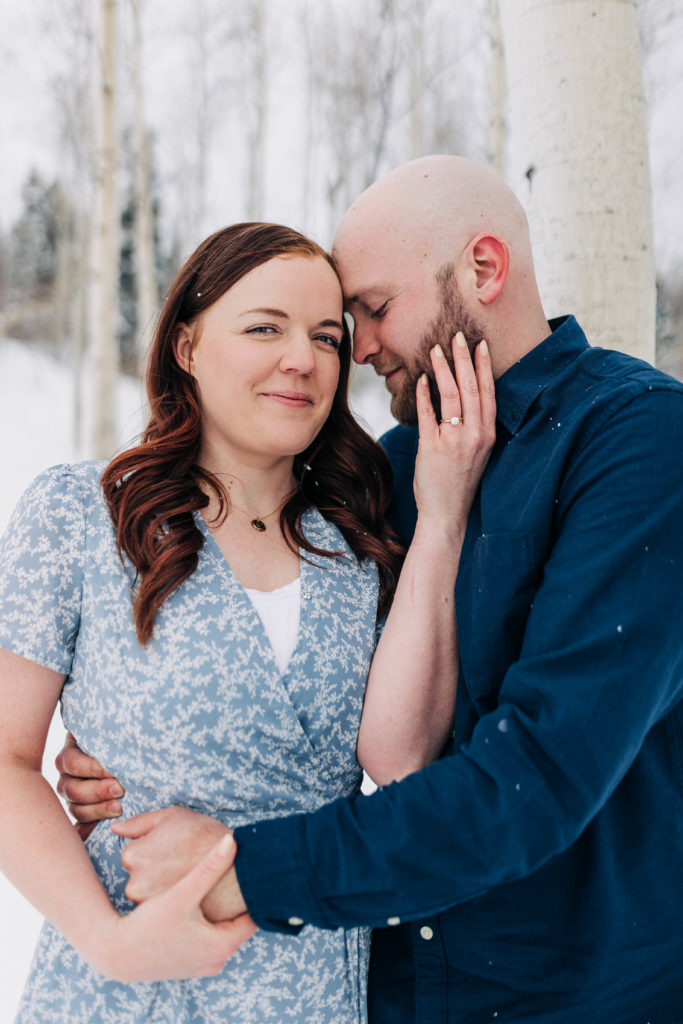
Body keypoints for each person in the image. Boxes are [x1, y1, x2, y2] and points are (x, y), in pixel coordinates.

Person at [59, 156, 683, 1022]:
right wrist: (130, 757)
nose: (360, 347)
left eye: (372, 310)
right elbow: (307, 688)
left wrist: (245, 870)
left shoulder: (639, 442)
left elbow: (539, 772)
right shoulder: (381, 472)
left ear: (484, 269)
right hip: (377, 991)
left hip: (575, 994)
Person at [0, 220, 495, 1023]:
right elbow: (5, 760)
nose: (302, 358)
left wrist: (441, 514)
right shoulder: (79, 516)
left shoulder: (367, 542)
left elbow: (399, 760)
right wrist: (107, 941)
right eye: (264, 327)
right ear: (187, 347)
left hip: (316, 987)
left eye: (327, 337)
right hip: (128, 987)